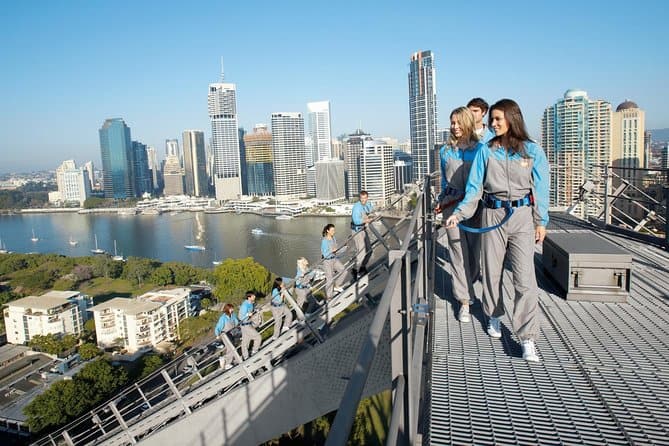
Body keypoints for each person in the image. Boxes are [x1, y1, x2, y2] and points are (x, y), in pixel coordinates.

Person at [445, 99, 549, 363]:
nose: (493, 124)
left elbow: (542, 188)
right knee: (492, 272)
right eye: (492, 120)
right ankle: (493, 313)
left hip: (522, 217)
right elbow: (474, 189)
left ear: (513, 119)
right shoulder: (486, 152)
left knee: (525, 278)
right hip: (492, 213)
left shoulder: (531, 151)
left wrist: (541, 221)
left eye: (498, 119)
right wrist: (459, 214)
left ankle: (527, 338)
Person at [434, 107, 481, 323]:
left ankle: (469, 283)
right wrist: (442, 200)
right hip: (452, 205)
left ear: (467, 122)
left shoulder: (480, 150)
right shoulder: (446, 151)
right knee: (457, 253)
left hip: (475, 206)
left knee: (473, 253)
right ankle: (464, 300)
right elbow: (444, 180)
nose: (454, 126)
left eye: (458, 122)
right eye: (452, 122)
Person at [350, 190, 374, 277]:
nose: (363, 200)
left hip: (363, 229)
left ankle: (362, 267)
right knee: (361, 252)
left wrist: (370, 209)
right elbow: (356, 221)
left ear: (367, 198)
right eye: (361, 198)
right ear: (359, 198)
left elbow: (370, 209)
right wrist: (366, 220)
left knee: (369, 250)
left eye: (365, 198)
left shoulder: (367, 204)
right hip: (357, 230)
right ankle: (355, 269)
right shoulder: (357, 207)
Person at [321, 224, 346, 299]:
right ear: (327, 231)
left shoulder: (333, 238)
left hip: (334, 259)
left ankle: (337, 286)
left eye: (334, 230)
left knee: (344, 270)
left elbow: (336, 250)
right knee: (330, 279)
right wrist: (332, 250)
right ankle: (329, 296)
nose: (333, 232)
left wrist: (344, 247)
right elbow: (325, 254)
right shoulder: (324, 241)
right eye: (332, 230)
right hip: (327, 261)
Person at [214, 303, 239, 370]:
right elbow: (218, 327)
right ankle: (227, 362)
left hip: (232, 332)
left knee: (231, 347)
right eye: (231, 308)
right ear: (227, 309)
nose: (232, 309)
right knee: (231, 347)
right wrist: (217, 335)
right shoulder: (223, 318)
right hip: (225, 334)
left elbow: (236, 322)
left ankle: (229, 359)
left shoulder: (233, 315)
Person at [238, 291, 262, 359]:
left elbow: (251, 311)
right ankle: (254, 351)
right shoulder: (244, 305)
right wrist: (247, 315)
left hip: (248, 324)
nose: (254, 297)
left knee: (245, 342)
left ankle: (245, 357)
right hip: (245, 325)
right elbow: (240, 317)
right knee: (258, 337)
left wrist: (256, 310)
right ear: (249, 297)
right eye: (253, 296)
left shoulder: (251, 303)